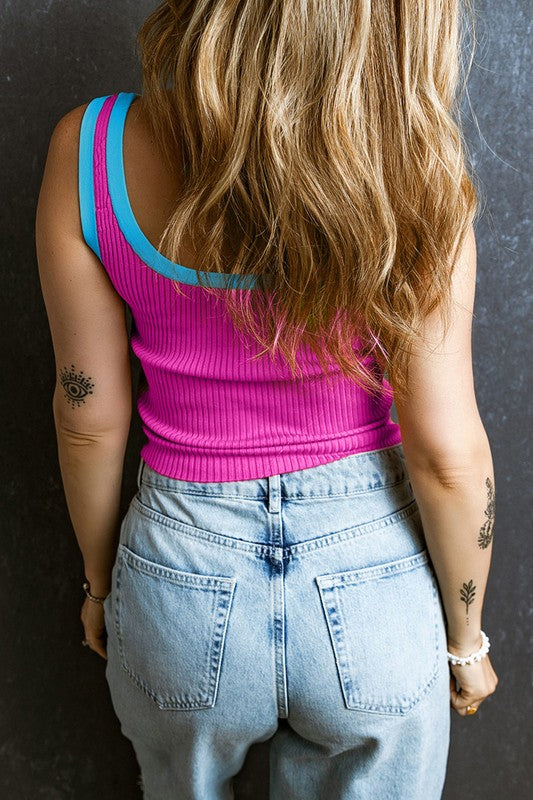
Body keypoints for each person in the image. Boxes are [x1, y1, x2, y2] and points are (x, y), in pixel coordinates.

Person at [35, 1, 499, 798]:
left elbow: (88, 419)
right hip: (371, 585)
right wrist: (464, 641)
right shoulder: (418, 168)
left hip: (179, 577)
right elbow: (446, 453)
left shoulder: (93, 149)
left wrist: (103, 587)